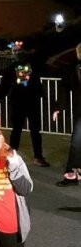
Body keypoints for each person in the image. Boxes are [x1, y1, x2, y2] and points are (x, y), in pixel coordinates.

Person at [0, 39, 49, 167]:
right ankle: (15, 155)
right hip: (22, 102)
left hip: (28, 101)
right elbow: (4, 86)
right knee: (19, 130)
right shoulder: (16, 67)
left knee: (32, 131)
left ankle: (35, 156)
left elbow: (4, 86)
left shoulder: (30, 64)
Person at [52, 41, 81, 185]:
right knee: (76, 143)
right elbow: (64, 89)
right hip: (80, 113)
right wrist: (58, 107)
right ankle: (72, 175)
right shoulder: (72, 69)